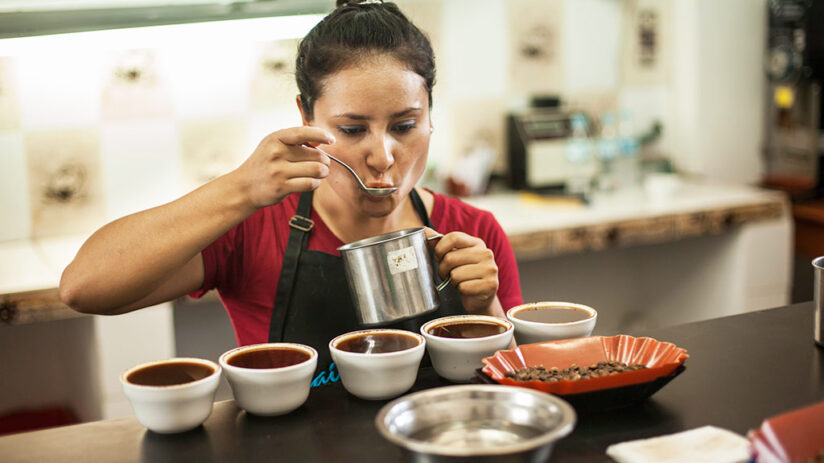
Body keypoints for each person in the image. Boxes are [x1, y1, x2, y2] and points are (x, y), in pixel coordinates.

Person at [59, 0, 522, 386]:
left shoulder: (473, 232)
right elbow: (84, 288)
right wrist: (241, 187)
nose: (382, 156)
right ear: (306, 116)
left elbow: (519, 388)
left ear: (430, 116)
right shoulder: (254, 226)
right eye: (352, 128)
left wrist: (487, 308)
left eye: (404, 125)